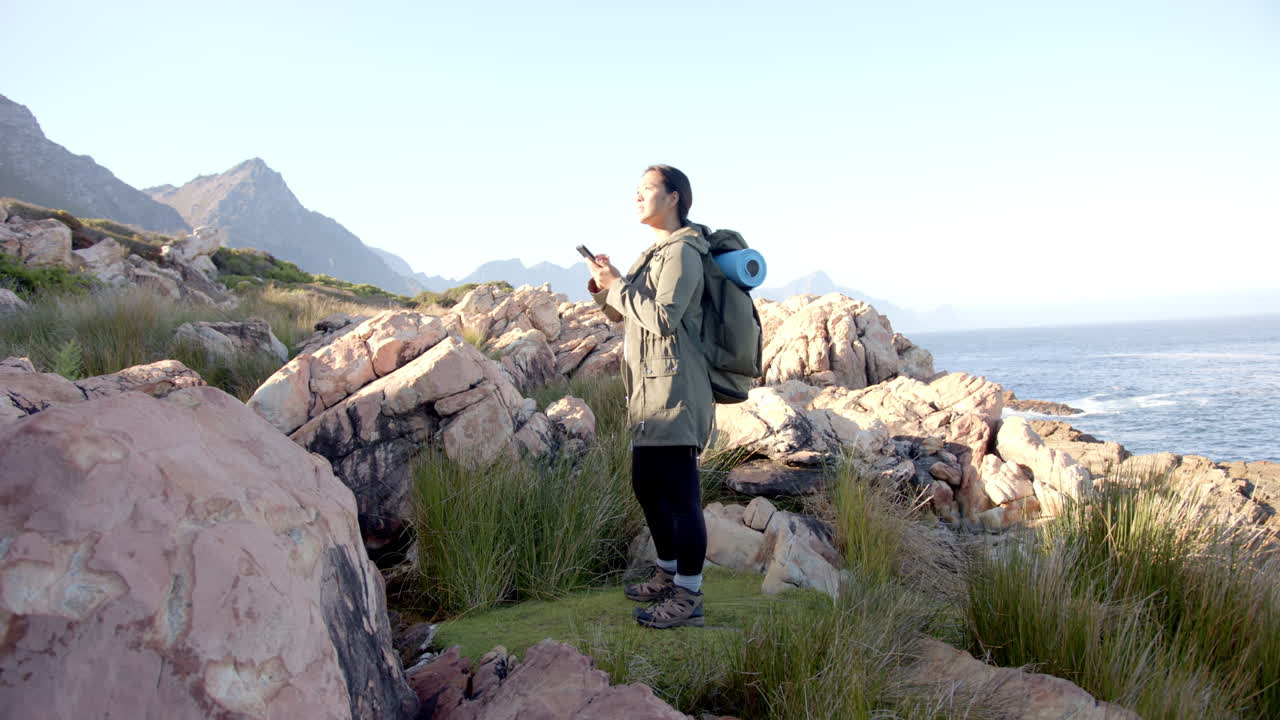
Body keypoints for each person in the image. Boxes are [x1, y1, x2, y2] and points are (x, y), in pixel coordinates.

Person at [586, 164, 715, 629]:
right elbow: (626, 316)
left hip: (676, 391)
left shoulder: (683, 253)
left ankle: (689, 595)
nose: (637, 197)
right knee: (646, 483)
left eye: (646, 190)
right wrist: (608, 284)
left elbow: (661, 318)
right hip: (647, 391)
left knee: (682, 496)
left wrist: (618, 286)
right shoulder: (655, 253)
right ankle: (667, 573)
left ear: (674, 197)